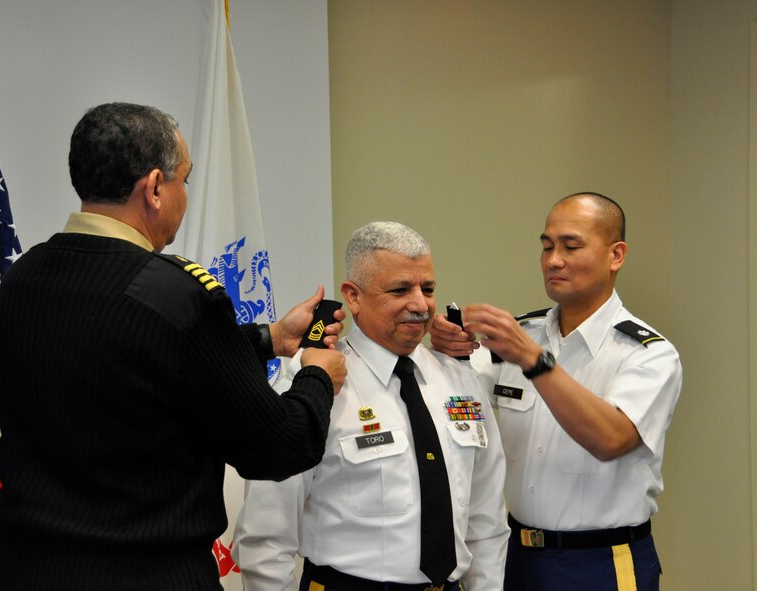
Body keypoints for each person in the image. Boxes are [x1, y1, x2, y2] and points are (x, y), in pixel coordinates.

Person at [0, 102, 347, 591]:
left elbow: (120, 357)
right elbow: (278, 447)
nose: (184, 195)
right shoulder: (178, 293)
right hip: (144, 576)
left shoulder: (23, 277)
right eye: (184, 180)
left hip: (26, 571)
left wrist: (270, 338)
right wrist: (318, 374)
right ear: (155, 188)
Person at [232, 221, 509, 591]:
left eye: (427, 288)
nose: (420, 304)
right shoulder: (313, 385)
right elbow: (265, 540)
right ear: (353, 296)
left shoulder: (461, 382)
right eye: (400, 290)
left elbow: (486, 523)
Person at [430, 192, 682, 591]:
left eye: (571, 246)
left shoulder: (647, 355)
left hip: (600, 563)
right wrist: (446, 345)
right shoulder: (522, 334)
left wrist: (535, 362)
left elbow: (611, 438)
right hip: (516, 555)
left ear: (616, 255)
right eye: (547, 246)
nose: (553, 260)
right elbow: (457, 386)